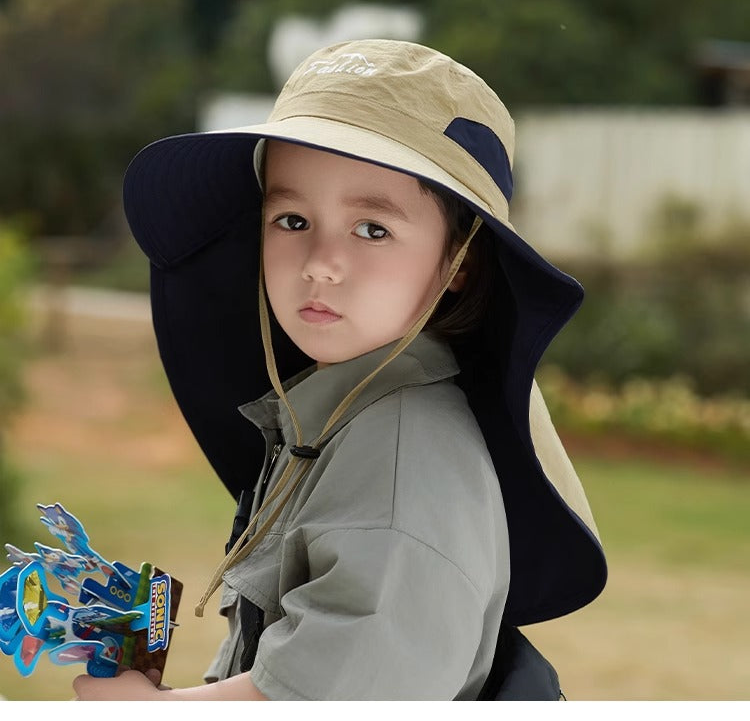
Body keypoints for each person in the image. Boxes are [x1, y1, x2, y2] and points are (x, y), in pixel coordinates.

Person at [73, 39, 607, 701]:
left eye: (372, 229)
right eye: (292, 219)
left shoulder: (402, 458)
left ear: (460, 263)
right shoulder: (338, 419)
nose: (320, 261)